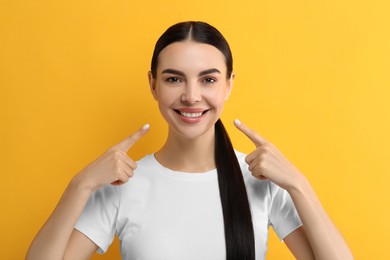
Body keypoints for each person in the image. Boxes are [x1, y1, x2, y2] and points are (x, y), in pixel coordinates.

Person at [26, 21, 353, 260]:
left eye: (208, 79)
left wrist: (298, 184)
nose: (192, 96)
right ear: (153, 84)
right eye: (173, 79)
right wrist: (79, 185)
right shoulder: (121, 184)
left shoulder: (262, 181)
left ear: (228, 85)